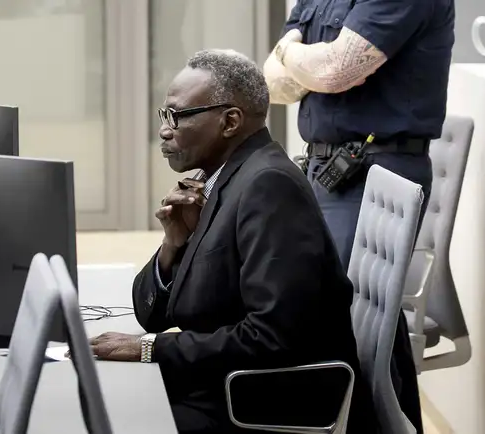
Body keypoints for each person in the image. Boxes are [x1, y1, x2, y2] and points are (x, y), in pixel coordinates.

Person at [87, 49, 376, 434]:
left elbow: (272, 336)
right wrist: (175, 244)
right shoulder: (219, 181)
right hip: (222, 384)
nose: (165, 130)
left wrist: (150, 348)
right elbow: (150, 314)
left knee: (102, 418)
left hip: (257, 404)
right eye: (164, 115)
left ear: (230, 122)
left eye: (178, 116)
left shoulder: (268, 187)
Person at [264, 1, 455, 431]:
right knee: (361, 322)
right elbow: (275, 86)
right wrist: (306, 63)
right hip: (325, 170)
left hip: (375, 172)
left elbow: (335, 70)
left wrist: (289, 52)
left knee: (346, 322)